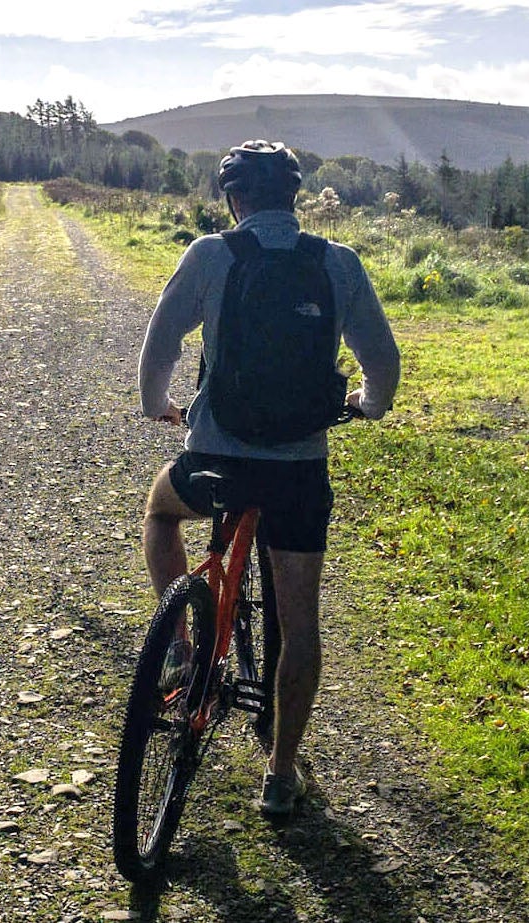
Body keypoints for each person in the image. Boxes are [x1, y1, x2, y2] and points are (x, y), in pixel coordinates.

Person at [137, 140, 401, 819]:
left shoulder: (210, 254)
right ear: (294, 198)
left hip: (217, 458)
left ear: (234, 200)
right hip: (296, 472)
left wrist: (156, 405)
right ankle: (281, 775)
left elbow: (160, 343)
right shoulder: (336, 263)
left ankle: (180, 646)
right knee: (301, 621)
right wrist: (365, 406)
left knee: (161, 514)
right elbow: (382, 363)